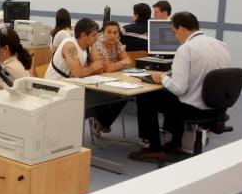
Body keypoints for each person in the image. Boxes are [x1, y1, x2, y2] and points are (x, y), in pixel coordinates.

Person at [130, 11, 232, 162]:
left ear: (182, 29)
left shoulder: (186, 49)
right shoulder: (221, 44)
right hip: (217, 107)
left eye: (174, 32)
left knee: (145, 96)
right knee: (170, 96)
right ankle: (174, 143)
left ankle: (153, 148)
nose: (175, 37)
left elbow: (179, 89)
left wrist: (162, 78)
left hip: (195, 108)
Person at [91, 21, 132, 135]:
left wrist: (118, 64)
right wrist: (121, 63)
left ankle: (102, 121)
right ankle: (102, 121)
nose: (112, 35)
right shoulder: (98, 45)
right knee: (118, 95)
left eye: (115, 33)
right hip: (97, 82)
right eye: (109, 32)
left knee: (127, 94)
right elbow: (107, 68)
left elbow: (128, 61)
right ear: (103, 33)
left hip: (113, 79)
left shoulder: (117, 43)